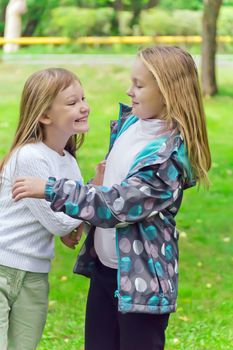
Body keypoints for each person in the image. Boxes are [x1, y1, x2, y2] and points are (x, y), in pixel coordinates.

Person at [12, 46, 211, 350]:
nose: (130, 91)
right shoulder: (131, 124)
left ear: (168, 91)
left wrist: (52, 189)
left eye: (139, 85)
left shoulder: (168, 157)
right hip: (107, 272)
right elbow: (105, 186)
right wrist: (80, 219)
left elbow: (117, 204)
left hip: (142, 283)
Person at [0, 67, 103, 350]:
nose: (84, 107)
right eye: (72, 103)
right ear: (45, 116)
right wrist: (92, 191)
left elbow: (67, 213)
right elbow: (59, 221)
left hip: (35, 274)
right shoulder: (30, 156)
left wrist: (76, 217)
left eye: (83, 98)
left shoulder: (67, 161)